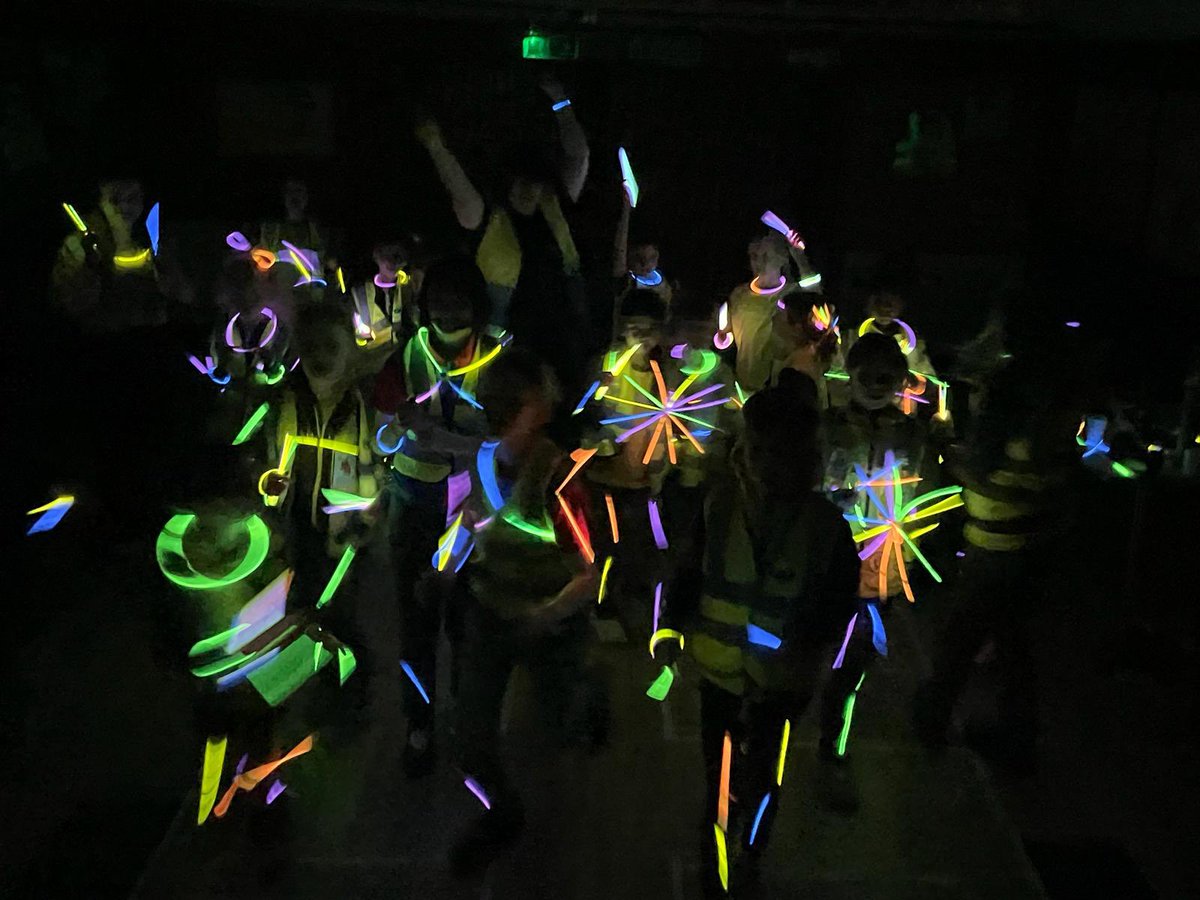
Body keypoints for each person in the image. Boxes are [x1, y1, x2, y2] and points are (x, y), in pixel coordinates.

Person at [662, 370, 858, 896]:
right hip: (719, 676)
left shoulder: (827, 529)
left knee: (764, 781)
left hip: (780, 686)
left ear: (808, 459)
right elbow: (686, 571)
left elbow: (839, 602)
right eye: (759, 449)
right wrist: (667, 629)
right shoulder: (717, 508)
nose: (769, 463)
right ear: (744, 450)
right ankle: (717, 872)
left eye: (783, 453)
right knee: (719, 784)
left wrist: (809, 646)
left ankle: (748, 862)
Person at [450, 349, 601, 877]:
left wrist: (548, 614)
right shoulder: (483, 460)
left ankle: (547, 841)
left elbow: (589, 573)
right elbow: (470, 524)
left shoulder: (557, 480)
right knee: (472, 734)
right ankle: (507, 814)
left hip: (548, 628)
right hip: (490, 612)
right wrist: (446, 568)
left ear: (534, 410)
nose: (491, 411)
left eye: (505, 403)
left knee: (546, 741)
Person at [372, 257, 505, 777]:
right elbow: (381, 433)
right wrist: (401, 426)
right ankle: (419, 725)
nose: (448, 309)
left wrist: (444, 438)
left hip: (473, 507)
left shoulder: (499, 357)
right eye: (440, 299)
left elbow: (509, 439)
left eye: (459, 299)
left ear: (476, 304)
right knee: (416, 624)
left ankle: (467, 725)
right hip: (414, 503)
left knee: (468, 626)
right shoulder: (407, 356)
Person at [913, 357, 1078, 775]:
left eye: (984, 393)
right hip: (1028, 556)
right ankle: (1017, 738)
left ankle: (932, 721)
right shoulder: (1045, 441)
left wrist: (945, 452)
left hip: (992, 554)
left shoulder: (1009, 446)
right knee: (1011, 645)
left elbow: (979, 483)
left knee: (962, 640)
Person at [415, 74, 590, 391]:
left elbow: (579, 156)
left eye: (534, 182)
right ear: (507, 181)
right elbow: (460, 190)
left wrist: (560, 102)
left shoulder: (555, 208)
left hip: (563, 341)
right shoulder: (486, 219)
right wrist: (434, 144)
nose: (528, 189)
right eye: (520, 181)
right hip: (505, 347)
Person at [817, 332, 935, 788]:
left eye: (887, 377)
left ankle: (833, 753)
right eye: (868, 374)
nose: (876, 383)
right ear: (850, 374)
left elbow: (925, 498)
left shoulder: (914, 435)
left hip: (879, 569)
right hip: (826, 560)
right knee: (800, 658)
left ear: (903, 380)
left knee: (851, 668)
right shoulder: (825, 428)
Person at [50, 178, 188, 332]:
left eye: (132, 198)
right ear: (101, 201)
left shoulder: (160, 239)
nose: (124, 206)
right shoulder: (78, 245)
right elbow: (72, 305)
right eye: (114, 200)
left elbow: (179, 299)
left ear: (143, 199)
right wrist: (90, 265)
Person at [722, 228, 822, 393]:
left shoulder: (792, 294)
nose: (758, 262)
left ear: (782, 258)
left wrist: (800, 258)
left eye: (765, 256)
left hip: (781, 389)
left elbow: (816, 299)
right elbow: (729, 335)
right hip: (744, 387)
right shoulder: (739, 294)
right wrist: (723, 338)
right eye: (754, 256)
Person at [347, 238, 420, 366]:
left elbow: (415, 325)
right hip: (372, 362)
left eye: (398, 255)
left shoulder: (408, 288)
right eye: (389, 254)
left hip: (401, 359)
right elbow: (355, 339)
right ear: (377, 256)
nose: (393, 260)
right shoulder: (360, 293)